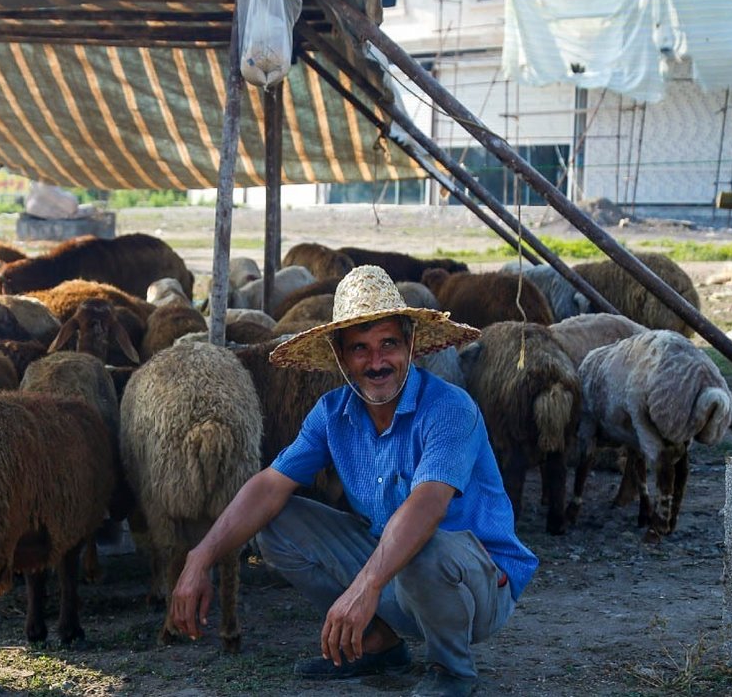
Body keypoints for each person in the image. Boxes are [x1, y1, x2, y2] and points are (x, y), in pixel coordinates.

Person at [169, 265, 538, 697]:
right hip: (395, 570)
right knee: (276, 521)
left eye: (388, 344)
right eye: (360, 348)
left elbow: (428, 505)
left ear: (411, 347)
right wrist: (199, 558)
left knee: (424, 541)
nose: (377, 362)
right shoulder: (332, 413)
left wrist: (365, 586)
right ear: (341, 358)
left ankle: (452, 669)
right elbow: (269, 484)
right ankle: (379, 641)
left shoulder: (449, 408)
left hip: (476, 587)